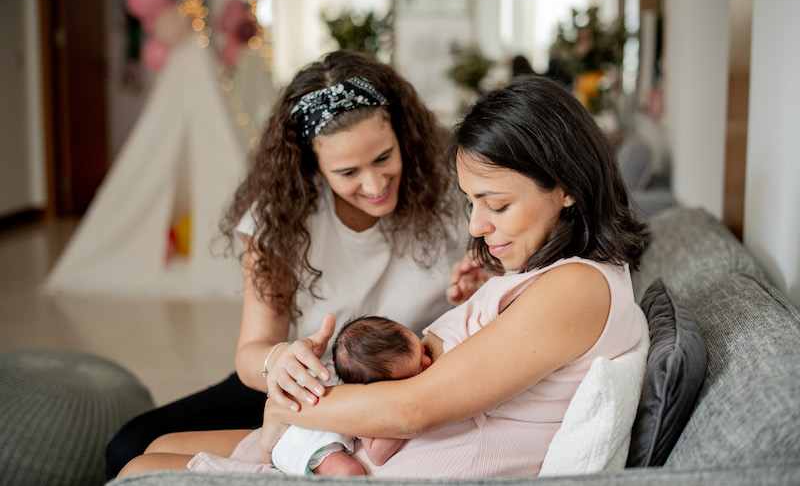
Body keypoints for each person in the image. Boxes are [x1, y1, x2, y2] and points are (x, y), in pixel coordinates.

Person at [118, 75, 651, 479]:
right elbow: (258, 348)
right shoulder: (550, 271)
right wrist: (284, 376)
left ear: (567, 187)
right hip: (344, 405)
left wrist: (289, 408)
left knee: (142, 470)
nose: (475, 225)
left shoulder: (577, 286)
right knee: (148, 445)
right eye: (471, 203)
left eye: (495, 205)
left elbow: (413, 409)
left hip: (382, 448)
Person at [108, 49, 475, 478]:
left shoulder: (452, 192)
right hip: (308, 382)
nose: (375, 185)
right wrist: (280, 360)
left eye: (383, 158)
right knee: (129, 447)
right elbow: (252, 352)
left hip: (404, 380)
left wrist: (477, 285)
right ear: (313, 167)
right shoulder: (278, 218)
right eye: (348, 172)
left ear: (403, 137)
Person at [271, 315, 433, 476]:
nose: (428, 362)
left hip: (292, 424)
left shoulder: (345, 367)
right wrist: (400, 422)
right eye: (419, 369)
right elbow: (376, 455)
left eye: (423, 350)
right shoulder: (368, 403)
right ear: (378, 387)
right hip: (301, 444)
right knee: (350, 472)